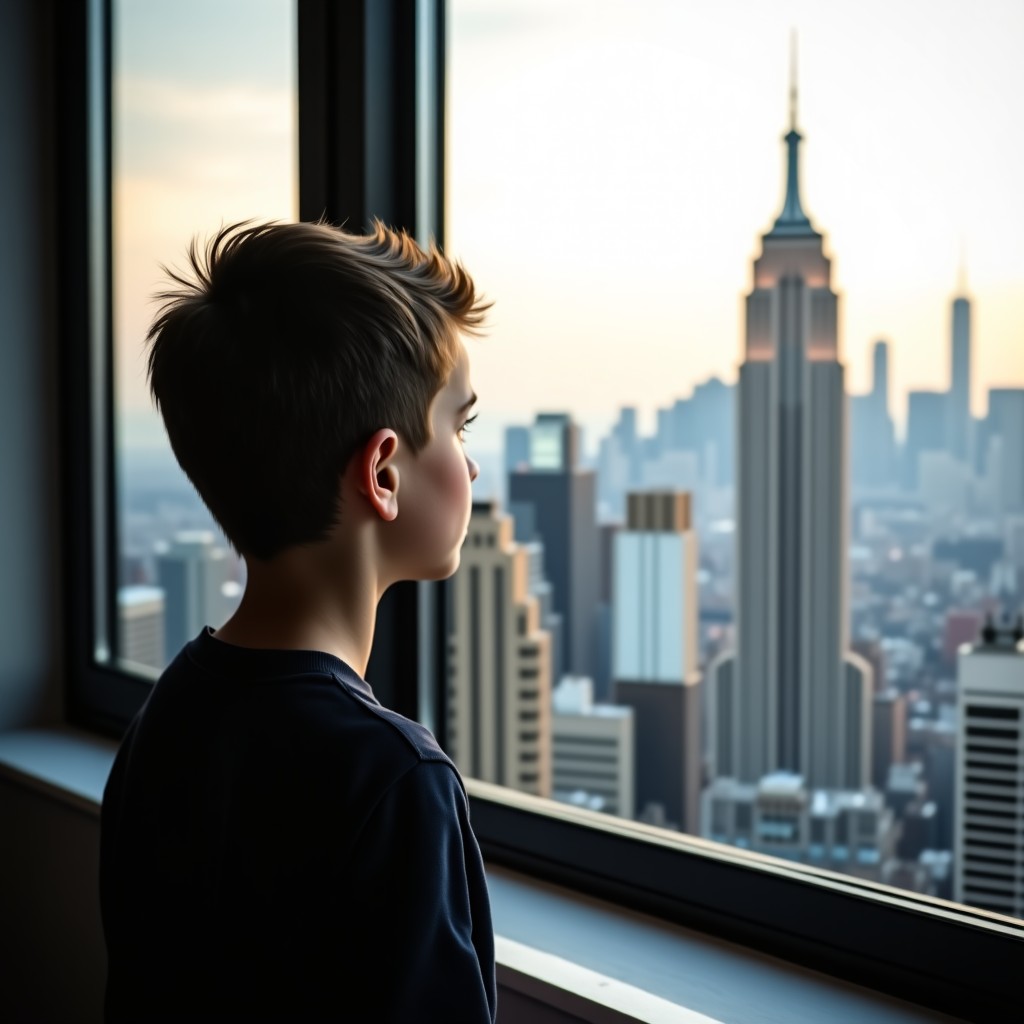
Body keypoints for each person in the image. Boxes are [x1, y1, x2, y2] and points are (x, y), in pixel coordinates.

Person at [100, 221, 496, 1022]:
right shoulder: (394, 779)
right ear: (384, 472)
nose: (472, 462)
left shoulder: (168, 716)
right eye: (460, 425)